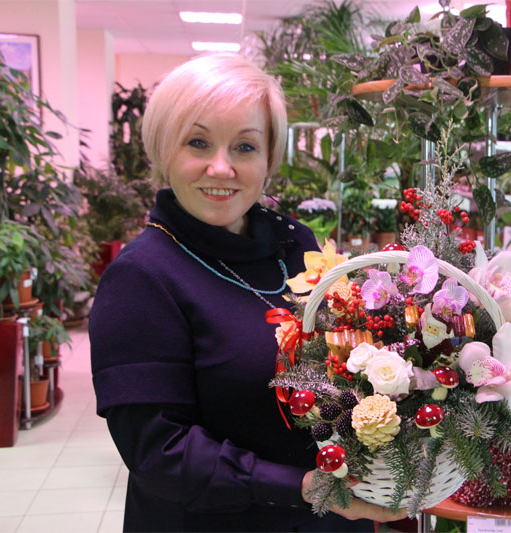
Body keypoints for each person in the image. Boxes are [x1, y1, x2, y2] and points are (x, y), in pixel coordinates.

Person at [89, 53, 406, 532]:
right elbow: (158, 451)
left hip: (335, 516)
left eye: (244, 146)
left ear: (268, 158)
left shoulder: (297, 245)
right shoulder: (141, 278)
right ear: (163, 150)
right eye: (198, 142)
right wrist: (301, 486)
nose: (221, 168)